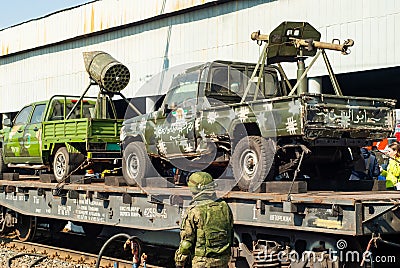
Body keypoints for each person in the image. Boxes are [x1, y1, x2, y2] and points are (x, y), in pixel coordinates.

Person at [175, 172, 234, 268]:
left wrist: (179, 261)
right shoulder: (224, 206)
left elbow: (186, 243)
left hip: (203, 261)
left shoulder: (194, 210)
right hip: (223, 259)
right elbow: (230, 233)